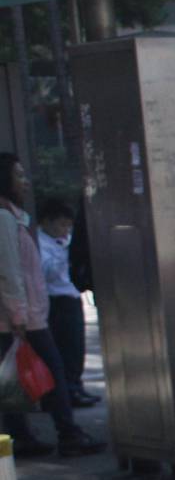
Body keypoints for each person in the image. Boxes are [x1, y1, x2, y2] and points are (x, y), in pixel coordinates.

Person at [0, 154, 103, 457]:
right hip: (21, 318)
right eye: (18, 176)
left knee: (16, 376)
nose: (25, 182)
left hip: (21, 315)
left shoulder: (12, 216)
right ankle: (67, 432)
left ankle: (24, 435)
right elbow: (9, 271)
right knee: (50, 371)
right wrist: (19, 316)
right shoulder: (4, 218)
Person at [35, 200, 98, 408]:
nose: (65, 230)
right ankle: (67, 390)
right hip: (56, 300)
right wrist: (65, 257)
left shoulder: (65, 241)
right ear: (46, 222)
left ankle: (76, 386)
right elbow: (45, 273)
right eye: (61, 225)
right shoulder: (40, 243)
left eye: (68, 226)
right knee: (65, 348)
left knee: (76, 348)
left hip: (71, 297)